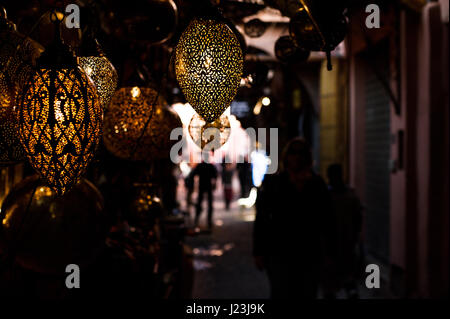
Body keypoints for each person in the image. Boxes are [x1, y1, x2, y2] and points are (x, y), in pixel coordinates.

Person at [253, 138, 336, 299]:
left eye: (301, 153)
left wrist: (330, 253)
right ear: (286, 157)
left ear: (307, 157)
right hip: (279, 252)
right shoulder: (274, 183)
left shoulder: (317, 184)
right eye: (293, 153)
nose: (297, 157)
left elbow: (328, 220)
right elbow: (262, 219)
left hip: (309, 253)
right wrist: (258, 252)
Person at [326, 163, 363, 298]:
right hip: (347, 245)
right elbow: (358, 220)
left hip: (330, 248)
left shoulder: (326, 197)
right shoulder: (350, 196)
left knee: (330, 288)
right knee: (349, 283)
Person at [192, 157, 217, 229]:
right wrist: (214, 185)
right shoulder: (210, 165)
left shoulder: (200, 165)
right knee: (208, 204)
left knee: (200, 203)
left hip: (202, 186)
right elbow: (215, 176)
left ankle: (197, 219)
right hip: (207, 186)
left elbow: (194, 174)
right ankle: (208, 220)